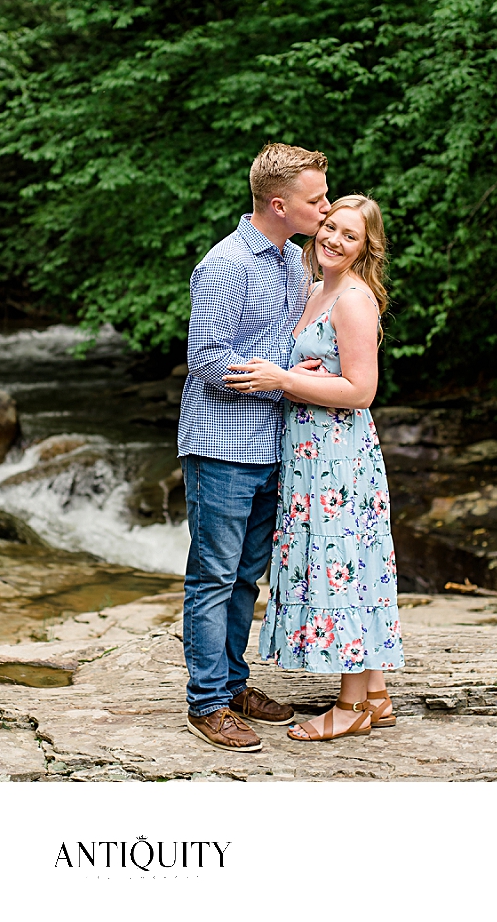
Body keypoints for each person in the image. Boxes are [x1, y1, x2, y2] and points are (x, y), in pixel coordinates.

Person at [223, 193, 404, 741]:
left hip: (338, 457)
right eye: (330, 227)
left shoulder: (353, 299)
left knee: (343, 565)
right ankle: (375, 694)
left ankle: (349, 710)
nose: (334, 240)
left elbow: (362, 389)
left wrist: (283, 381)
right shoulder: (314, 289)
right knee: (353, 561)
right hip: (310, 454)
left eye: (351, 236)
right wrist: (288, 373)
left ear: (365, 247)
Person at [177, 142, 332, 753]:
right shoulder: (224, 265)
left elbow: (286, 352)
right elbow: (207, 362)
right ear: (278, 204)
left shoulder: (295, 262)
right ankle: (207, 703)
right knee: (213, 575)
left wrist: (296, 368)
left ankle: (234, 684)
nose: (324, 206)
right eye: (315, 199)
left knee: (246, 575)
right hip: (222, 443)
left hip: (275, 443)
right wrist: (280, 371)